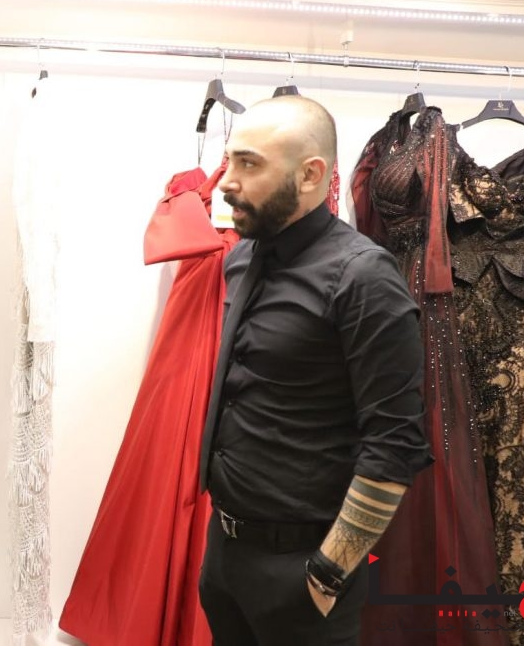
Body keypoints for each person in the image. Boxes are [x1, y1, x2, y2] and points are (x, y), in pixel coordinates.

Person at [196, 96, 432, 645]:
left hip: (304, 569)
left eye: (249, 164)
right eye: (229, 160)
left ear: (310, 175)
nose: (226, 182)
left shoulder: (363, 277)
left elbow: (395, 443)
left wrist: (328, 572)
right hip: (226, 555)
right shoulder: (242, 258)